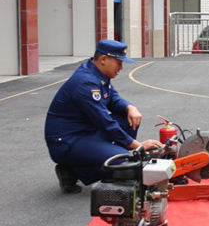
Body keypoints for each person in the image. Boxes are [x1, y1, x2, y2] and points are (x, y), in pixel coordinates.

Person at [45, 40, 164, 193]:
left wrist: (130, 107)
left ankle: (78, 169)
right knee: (123, 162)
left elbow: (113, 99)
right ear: (103, 60)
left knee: (130, 118)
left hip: (86, 133)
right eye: (118, 62)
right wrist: (138, 146)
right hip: (68, 142)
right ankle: (74, 171)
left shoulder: (97, 74)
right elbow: (105, 122)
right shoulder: (85, 83)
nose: (121, 68)